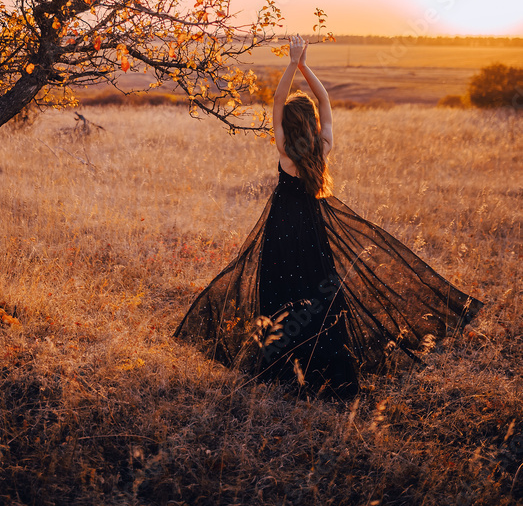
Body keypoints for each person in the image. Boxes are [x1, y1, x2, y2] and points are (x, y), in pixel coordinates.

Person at [173, 35, 483, 401]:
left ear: (288, 125)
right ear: (313, 123)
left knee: (280, 296)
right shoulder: (322, 149)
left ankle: (282, 368)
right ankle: (324, 368)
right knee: (316, 296)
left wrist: (291, 63)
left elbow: (276, 99)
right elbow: (325, 100)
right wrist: (305, 65)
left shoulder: (286, 152)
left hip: (280, 234)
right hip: (313, 233)